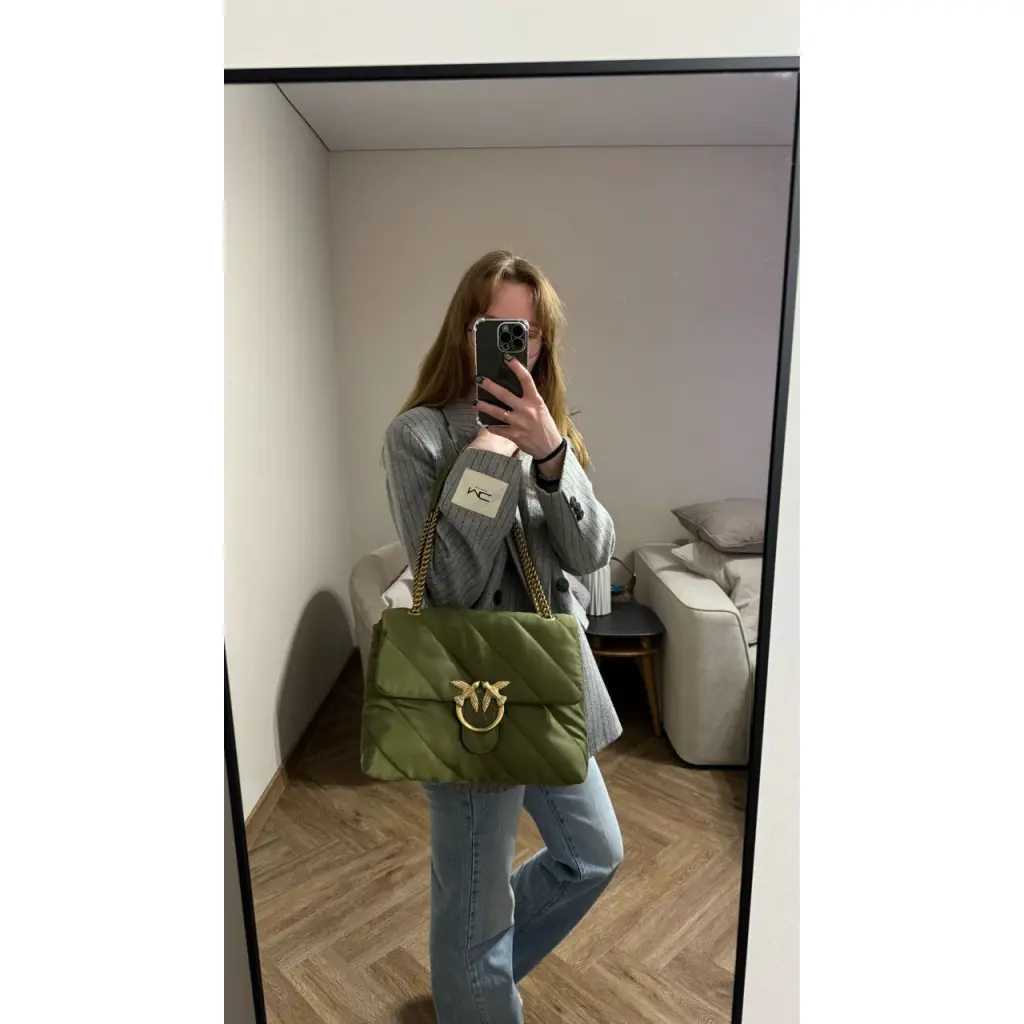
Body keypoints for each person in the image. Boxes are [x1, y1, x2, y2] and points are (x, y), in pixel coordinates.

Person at [383, 250, 624, 1023]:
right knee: (474, 901)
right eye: (496, 328)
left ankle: (471, 973)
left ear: (543, 342)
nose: (515, 346)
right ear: (465, 331)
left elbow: (593, 553)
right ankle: (475, 984)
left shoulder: (554, 434)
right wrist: (492, 450)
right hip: (472, 698)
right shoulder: (419, 437)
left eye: (529, 331)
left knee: (594, 854)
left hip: (549, 690)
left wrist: (551, 454)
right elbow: (450, 582)